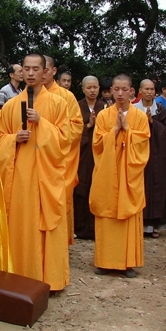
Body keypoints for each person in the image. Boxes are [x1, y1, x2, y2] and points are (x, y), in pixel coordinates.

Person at [0, 53, 70, 291]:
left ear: (45, 71)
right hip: (21, 178)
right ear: (22, 72)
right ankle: (20, 276)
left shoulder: (58, 104)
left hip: (47, 176)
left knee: (46, 225)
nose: (32, 73)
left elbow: (66, 141)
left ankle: (50, 279)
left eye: (37, 69)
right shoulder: (11, 105)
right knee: (21, 225)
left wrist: (42, 123)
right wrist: (13, 138)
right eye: (27, 68)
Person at [89, 74, 150, 278]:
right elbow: (97, 145)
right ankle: (105, 261)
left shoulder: (140, 117)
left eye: (125, 89)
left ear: (132, 91)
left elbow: (143, 146)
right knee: (107, 214)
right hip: (107, 174)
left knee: (127, 215)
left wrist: (127, 130)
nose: (121, 93)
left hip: (128, 175)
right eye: (117, 89)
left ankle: (127, 263)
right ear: (112, 90)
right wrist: (114, 130)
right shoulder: (104, 116)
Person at [43, 56, 84, 245]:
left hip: (60, 157)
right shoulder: (27, 96)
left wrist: (51, 135)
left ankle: (59, 244)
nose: (40, 73)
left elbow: (76, 127)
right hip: (35, 158)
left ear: (53, 71)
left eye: (45, 69)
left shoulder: (66, 96)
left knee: (60, 199)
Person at [133, 79, 166, 238]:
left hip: (157, 154)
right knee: (140, 187)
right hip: (138, 154)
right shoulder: (134, 109)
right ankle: (139, 222)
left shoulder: (160, 110)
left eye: (152, 89)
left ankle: (155, 224)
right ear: (140, 90)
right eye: (146, 89)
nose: (149, 92)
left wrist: (152, 123)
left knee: (157, 187)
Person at [74, 76, 105, 240]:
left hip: (99, 155)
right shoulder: (77, 107)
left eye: (95, 87)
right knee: (81, 188)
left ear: (99, 88)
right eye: (89, 88)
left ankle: (96, 227)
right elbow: (71, 132)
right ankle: (80, 227)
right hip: (83, 154)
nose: (92, 91)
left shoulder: (105, 107)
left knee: (98, 188)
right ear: (83, 89)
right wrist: (88, 126)